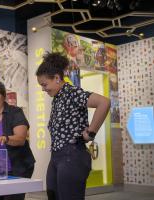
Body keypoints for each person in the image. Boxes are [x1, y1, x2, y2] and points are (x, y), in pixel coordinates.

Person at [35, 52, 110, 200]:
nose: (43, 89)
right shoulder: (57, 98)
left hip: (72, 155)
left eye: (44, 85)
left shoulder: (72, 93)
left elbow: (104, 102)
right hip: (56, 156)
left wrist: (90, 132)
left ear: (57, 78)